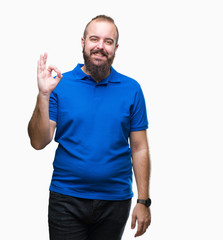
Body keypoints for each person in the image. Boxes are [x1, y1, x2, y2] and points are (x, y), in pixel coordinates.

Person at [28, 15, 151, 240]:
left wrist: (143, 201)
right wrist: (44, 95)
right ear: (83, 42)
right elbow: (38, 142)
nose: (100, 46)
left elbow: (140, 148)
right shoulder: (60, 84)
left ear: (116, 47)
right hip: (66, 199)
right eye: (94, 39)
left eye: (108, 41)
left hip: (115, 200)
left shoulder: (132, 89)